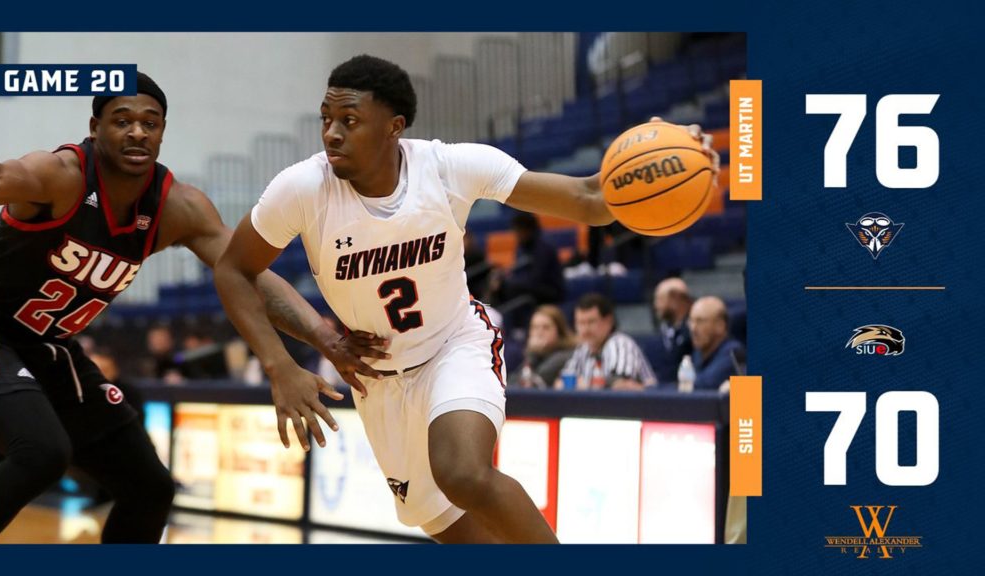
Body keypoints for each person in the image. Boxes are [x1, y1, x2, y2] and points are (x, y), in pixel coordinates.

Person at [214, 55, 716, 543]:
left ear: (395, 126)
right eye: (326, 119)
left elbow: (589, 198)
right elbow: (236, 269)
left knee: (462, 472)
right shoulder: (303, 188)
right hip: (378, 379)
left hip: (453, 344)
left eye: (349, 120)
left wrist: (677, 154)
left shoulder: (450, 167)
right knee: (452, 531)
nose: (331, 134)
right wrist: (287, 361)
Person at [0, 72, 379, 543]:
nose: (138, 131)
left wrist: (326, 339)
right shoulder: (60, 176)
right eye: (122, 121)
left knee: (149, 487)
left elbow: (248, 274)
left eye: (150, 123)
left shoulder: (178, 208)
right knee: (42, 453)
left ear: (162, 132)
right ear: (95, 128)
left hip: (47, 346)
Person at [558, 292, 657, 390]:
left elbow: (620, 385)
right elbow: (562, 382)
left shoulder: (620, 343)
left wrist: (585, 386)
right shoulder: (583, 349)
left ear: (608, 322)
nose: (585, 329)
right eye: (580, 323)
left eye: (591, 322)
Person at [487, 212, 564, 328]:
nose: (516, 234)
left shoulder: (543, 249)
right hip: (531, 289)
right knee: (499, 287)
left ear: (529, 229)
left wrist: (508, 282)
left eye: (518, 230)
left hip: (550, 291)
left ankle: (510, 328)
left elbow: (536, 279)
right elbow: (519, 274)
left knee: (509, 288)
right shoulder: (521, 248)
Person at [686, 296, 745, 391]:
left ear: (720, 326)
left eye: (700, 321)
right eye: (691, 321)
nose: (693, 328)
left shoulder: (733, 352)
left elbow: (705, 385)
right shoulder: (698, 353)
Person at [512, 305, 576, 389]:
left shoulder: (566, 355)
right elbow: (511, 383)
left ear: (559, 331)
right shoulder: (536, 356)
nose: (539, 332)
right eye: (535, 327)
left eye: (546, 328)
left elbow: (534, 382)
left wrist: (533, 353)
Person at [652, 277, 694, 386]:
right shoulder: (666, 331)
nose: (656, 305)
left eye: (660, 299)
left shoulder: (694, 331)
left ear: (675, 299)